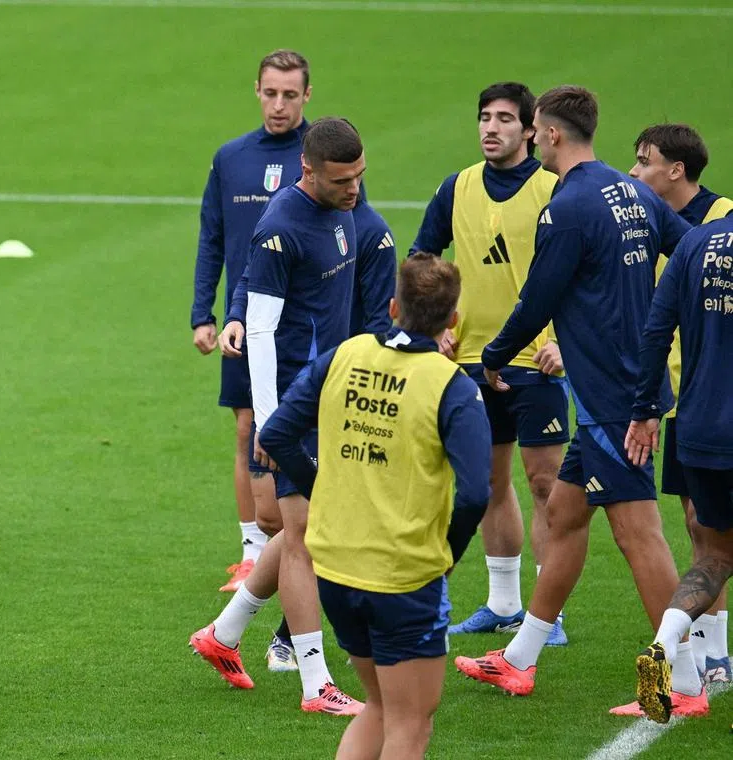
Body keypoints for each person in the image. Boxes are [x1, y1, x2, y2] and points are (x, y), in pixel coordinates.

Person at [451, 86, 707, 718]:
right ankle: (519, 659)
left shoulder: (566, 205)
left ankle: (688, 681)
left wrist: (493, 354)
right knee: (563, 517)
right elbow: (693, 249)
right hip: (618, 390)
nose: (533, 140)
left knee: (638, 534)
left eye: (535, 130)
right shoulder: (634, 191)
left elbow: (538, 296)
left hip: (610, 399)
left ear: (554, 135)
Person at [262, 253, 490, 760]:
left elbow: (275, 433)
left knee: (380, 708)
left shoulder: (346, 354)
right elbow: (476, 493)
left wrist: (318, 488)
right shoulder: (452, 388)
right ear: (453, 321)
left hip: (337, 569)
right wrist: (447, 554)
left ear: (392, 307)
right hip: (405, 579)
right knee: (410, 726)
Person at [189, 118, 365, 716]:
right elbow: (261, 330)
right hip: (293, 406)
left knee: (301, 534)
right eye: (343, 180)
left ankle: (224, 633)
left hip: (328, 398)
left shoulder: (339, 204)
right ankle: (316, 685)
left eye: (360, 175)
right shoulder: (283, 224)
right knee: (308, 539)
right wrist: (270, 422)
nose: (355, 189)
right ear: (308, 172)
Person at [411, 82, 567, 644]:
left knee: (545, 482)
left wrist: (566, 344)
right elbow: (422, 259)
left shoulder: (556, 189)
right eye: (484, 117)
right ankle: (504, 602)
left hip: (538, 360)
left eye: (504, 118)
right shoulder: (457, 188)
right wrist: (434, 327)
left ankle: (546, 614)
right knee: (487, 481)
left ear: (531, 130)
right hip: (470, 360)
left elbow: (591, 276)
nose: (490, 128)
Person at [191, 49, 310, 610]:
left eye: (290, 94)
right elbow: (212, 238)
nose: (279, 104)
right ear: (256, 90)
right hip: (244, 323)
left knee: (296, 431)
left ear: (307, 96)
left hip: (307, 326)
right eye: (271, 93)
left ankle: (289, 537)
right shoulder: (230, 158)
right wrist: (203, 314)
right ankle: (250, 548)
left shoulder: (322, 158)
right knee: (246, 426)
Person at [628, 123, 733, 684]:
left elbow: (653, 330)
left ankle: (668, 644)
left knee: (712, 554)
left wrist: (647, 405)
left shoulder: (694, 243)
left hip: (695, 422)